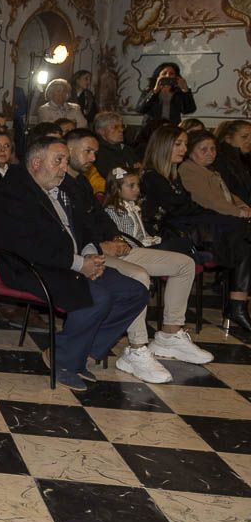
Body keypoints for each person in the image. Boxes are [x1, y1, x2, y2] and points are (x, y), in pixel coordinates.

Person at [0, 136, 149, 390]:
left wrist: (90, 253)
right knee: (97, 297)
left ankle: (78, 351)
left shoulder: (61, 188)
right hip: (30, 267)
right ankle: (64, 359)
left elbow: (83, 228)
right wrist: (78, 264)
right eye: (58, 161)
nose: (64, 167)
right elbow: (28, 247)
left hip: (67, 261)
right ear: (37, 162)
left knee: (134, 292)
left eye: (65, 161)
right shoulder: (13, 194)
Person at [60, 130, 210, 382]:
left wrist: (115, 238)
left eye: (95, 152)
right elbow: (75, 229)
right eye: (87, 151)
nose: (93, 157)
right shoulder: (61, 184)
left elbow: (99, 218)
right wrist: (101, 244)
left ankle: (170, 335)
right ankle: (136, 349)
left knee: (185, 264)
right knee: (139, 277)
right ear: (69, 149)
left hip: (114, 246)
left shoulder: (82, 182)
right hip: (91, 253)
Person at [140, 125, 251, 333]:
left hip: (185, 224)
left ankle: (237, 304)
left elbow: (188, 205)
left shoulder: (173, 174)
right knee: (238, 230)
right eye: (178, 144)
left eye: (184, 144)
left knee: (242, 235)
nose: (183, 149)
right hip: (166, 232)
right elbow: (179, 208)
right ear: (163, 146)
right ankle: (237, 304)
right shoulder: (152, 176)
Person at [179, 130, 251, 217]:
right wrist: (240, 213)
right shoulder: (188, 169)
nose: (210, 153)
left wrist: (243, 206)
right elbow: (207, 200)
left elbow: (226, 194)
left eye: (213, 149)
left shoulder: (209, 168)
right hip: (211, 220)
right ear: (190, 151)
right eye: (204, 149)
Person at [212, 119, 251, 204]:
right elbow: (231, 194)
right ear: (228, 139)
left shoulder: (244, 157)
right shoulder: (220, 160)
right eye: (244, 137)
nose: (250, 141)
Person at [92, 111, 140, 179]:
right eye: (115, 127)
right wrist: (133, 169)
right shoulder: (98, 152)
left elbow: (140, 168)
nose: (121, 130)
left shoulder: (126, 148)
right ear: (101, 131)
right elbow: (114, 178)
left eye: (122, 126)